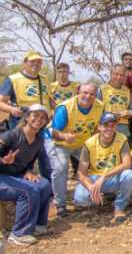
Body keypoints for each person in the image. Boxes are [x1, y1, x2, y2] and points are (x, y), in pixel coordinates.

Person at [47, 83, 104, 217]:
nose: (88, 96)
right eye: (85, 93)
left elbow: (97, 127)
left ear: (96, 96)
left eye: (92, 94)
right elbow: (54, 132)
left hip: (82, 143)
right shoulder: (65, 107)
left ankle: (90, 197)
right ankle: (60, 203)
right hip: (60, 143)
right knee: (61, 168)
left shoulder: (99, 106)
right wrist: (64, 136)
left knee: (95, 165)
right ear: (79, 92)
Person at [0, 104, 51, 246]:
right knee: (28, 190)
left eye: (43, 118)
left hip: (14, 177)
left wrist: (28, 172)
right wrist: (3, 161)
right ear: (27, 117)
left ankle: (37, 224)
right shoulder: (11, 135)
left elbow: (30, 163)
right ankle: (19, 234)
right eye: (35, 115)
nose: (39, 120)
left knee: (44, 184)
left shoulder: (39, 140)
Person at [73, 112, 132, 222]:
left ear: (116, 127)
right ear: (99, 126)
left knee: (129, 175)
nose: (109, 129)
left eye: (112, 125)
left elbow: (127, 163)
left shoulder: (121, 138)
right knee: (80, 198)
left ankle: (119, 207)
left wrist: (104, 176)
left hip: (112, 177)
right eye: (106, 125)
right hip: (94, 178)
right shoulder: (89, 143)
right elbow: (81, 172)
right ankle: (94, 203)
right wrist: (91, 188)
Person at [0, 51, 55, 130]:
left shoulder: (45, 79)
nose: (36, 64)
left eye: (39, 62)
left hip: (42, 123)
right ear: (24, 63)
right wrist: (12, 110)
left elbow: (49, 99)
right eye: (32, 61)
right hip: (21, 123)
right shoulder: (13, 79)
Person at [98, 64, 132, 140]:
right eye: (116, 74)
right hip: (107, 129)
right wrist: (110, 115)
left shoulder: (127, 90)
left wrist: (129, 114)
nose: (119, 77)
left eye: (122, 75)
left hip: (124, 130)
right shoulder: (102, 89)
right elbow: (95, 110)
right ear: (111, 73)